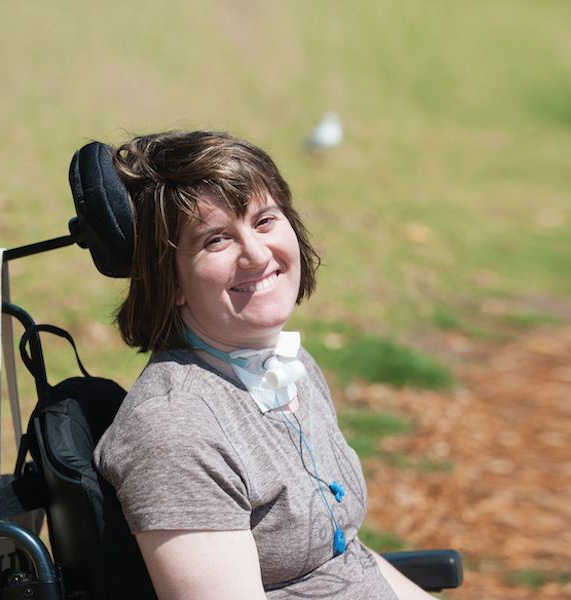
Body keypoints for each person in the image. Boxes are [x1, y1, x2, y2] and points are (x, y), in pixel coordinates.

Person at [94, 130, 435, 599]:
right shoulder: (176, 428)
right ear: (169, 281)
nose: (256, 254)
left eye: (264, 220)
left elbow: (346, 556)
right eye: (216, 239)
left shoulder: (286, 364)